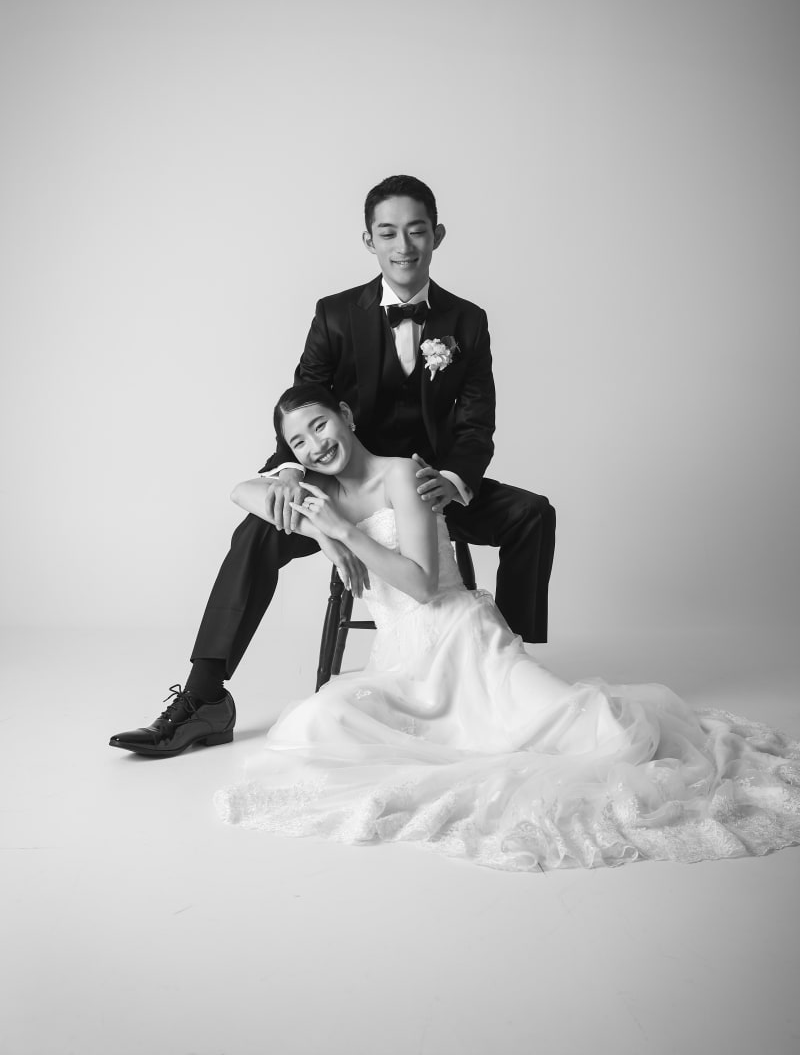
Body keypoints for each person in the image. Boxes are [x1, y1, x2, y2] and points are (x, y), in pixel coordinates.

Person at [214, 387, 800, 873]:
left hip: (462, 640)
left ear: (346, 414)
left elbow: (422, 585)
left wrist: (344, 531)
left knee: (605, 738)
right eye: (298, 442)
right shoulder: (320, 493)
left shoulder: (402, 474)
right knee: (318, 721)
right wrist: (317, 529)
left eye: (320, 425)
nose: (316, 445)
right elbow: (240, 491)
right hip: (401, 661)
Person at [109, 175, 555, 757]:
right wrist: (296, 480)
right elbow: (302, 406)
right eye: (387, 233)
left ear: (437, 235)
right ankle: (204, 697)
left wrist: (452, 481)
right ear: (369, 240)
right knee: (257, 531)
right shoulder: (336, 314)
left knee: (532, 515)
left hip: (426, 489)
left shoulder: (467, 321)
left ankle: (506, 668)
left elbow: (476, 424)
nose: (403, 246)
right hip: (348, 486)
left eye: (416, 231)